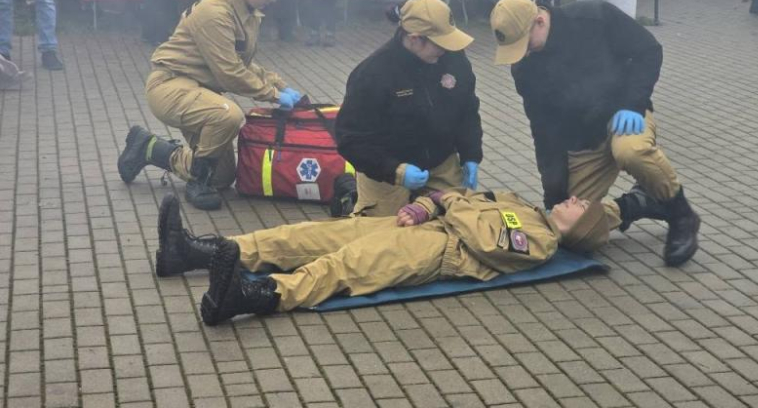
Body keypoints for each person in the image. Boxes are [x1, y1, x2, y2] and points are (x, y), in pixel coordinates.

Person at [153, 185, 652, 323]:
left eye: (578, 208)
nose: (572, 200)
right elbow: (459, 199)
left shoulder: (540, 242)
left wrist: (443, 202)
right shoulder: (524, 206)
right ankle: (196, 253)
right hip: (424, 225)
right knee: (312, 235)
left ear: (578, 230)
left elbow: (478, 234)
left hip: (436, 251)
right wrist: (426, 202)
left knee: (340, 268)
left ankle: (252, 295)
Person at [490, 0, 700, 267]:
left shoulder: (595, 17)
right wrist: (554, 197)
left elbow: (649, 51)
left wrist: (633, 104)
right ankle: (638, 203)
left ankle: (681, 214)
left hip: (624, 118)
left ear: (539, 20)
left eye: (525, 44)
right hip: (583, 143)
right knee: (574, 231)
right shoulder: (525, 68)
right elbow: (543, 131)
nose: (524, 54)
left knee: (631, 152)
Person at [117, 0, 304, 211]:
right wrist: (273, 95)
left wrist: (280, 85)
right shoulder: (215, 12)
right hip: (171, 85)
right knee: (228, 115)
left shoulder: (248, 12)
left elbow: (243, 64)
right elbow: (230, 72)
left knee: (222, 177)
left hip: (200, 90)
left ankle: (149, 147)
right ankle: (197, 185)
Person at [335, 0, 482, 218]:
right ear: (414, 39)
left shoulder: (453, 57)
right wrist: (394, 170)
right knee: (382, 238)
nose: (446, 50)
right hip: (387, 168)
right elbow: (350, 140)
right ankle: (353, 201)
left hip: (440, 159)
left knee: (461, 222)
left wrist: (471, 154)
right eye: (440, 44)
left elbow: (468, 109)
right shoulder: (372, 74)